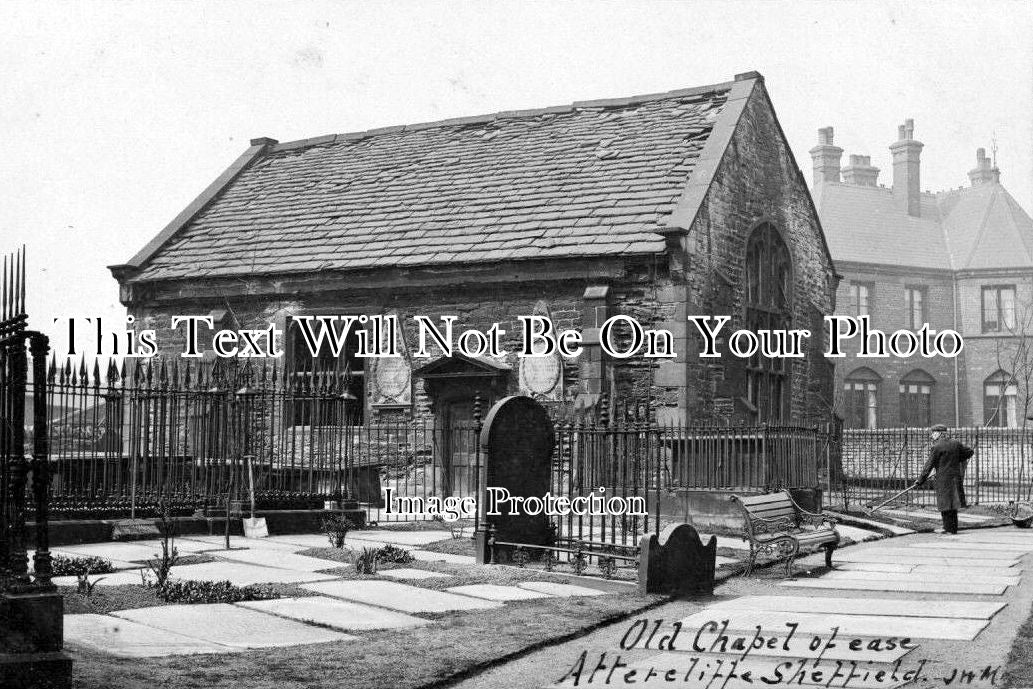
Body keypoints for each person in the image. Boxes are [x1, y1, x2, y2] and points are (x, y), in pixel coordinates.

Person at [912, 424, 974, 534]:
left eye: (934, 433)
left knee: (945, 504)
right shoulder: (956, 443)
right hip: (955, 478)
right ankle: (953, 529)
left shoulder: (937, 446)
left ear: (940, 433)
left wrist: (920, 480)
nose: (932, 435)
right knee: (953, 504)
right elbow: (970, 452)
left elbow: (928, 465)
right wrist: (957, 459)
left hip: (943, 479)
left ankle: (947, 528)